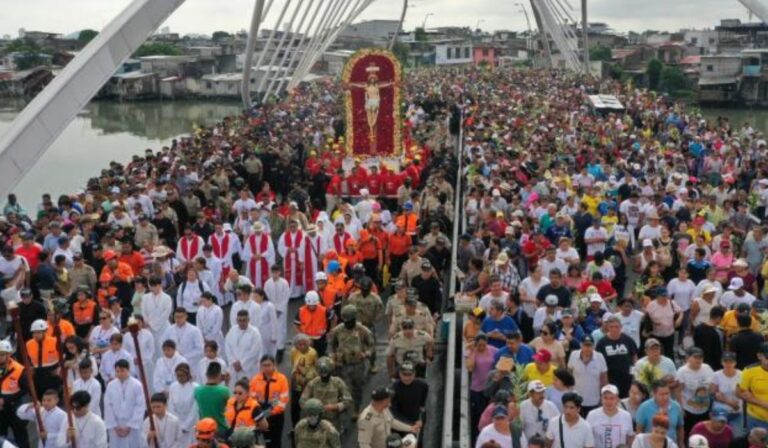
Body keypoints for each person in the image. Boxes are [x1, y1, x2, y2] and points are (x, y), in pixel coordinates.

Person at [328, 304, 374, 416]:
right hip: (341, 364)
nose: (347, 323)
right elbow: (331, 344)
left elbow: (371, 345)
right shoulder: (338, 330)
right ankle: (341, 409)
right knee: (339, 388)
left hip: (357, 364)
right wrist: (332, 356)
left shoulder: (362, 330)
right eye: (345, 321)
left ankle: (356, 409)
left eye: (349, 321)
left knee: (357, 387)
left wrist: (366, 354)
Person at [300, 357, 352, 431]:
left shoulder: (337, 383)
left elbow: (348, 401)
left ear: (331, 372)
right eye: (322, 374)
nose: (324, 377)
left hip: (333, 421)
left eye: (326, 374)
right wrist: (313, 407)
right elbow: (302, 401)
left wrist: (335, 406)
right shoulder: (313, 383)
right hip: (316, 421)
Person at [104, 359, 146, 448]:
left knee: (133, 444)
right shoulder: (111, 385)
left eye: (122, 371)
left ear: (128, 370)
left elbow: (140, 406)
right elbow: (108, 406)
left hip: (132, 423)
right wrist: (114, 426)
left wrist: (130, 426)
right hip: (116, 424)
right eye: (117, 371)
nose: (120, 374)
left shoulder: (137, 385)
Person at [249, 355, 289, 448]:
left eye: (268, 365)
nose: (266, 368)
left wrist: (270, 412)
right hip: (260, 415)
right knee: (262, 441)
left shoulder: (282, 379)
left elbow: (283, 400)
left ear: (274, 365)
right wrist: (259, 413)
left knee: (276, 441)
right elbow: (252, 398)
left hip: (276, 416)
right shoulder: (255, 379)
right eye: (264, 365)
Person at [595, 316, 638, 398]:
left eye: (616, 327)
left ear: (621, 327)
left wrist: (634, 375)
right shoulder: (602, 343)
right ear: (608, 327)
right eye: (611, 327)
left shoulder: (628, 340)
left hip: (627, 379)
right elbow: (599, 362)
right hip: (610, 379)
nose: (614, 329)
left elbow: (634, 358)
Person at [676, 346, 715, 436]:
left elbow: (713, 386)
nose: (698, 360)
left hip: (705, 409)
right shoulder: (682, 371)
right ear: (688, 358)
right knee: (690, 434)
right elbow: (678, 391)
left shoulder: (707, 368)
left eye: (700, 357)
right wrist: (680, 408)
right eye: (695, 357)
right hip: (689, 410)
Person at [568, 336, 608, 416]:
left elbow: (604, 378)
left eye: (590, 345)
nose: (587, 348)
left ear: (593, 346)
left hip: (594, 400)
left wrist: (604, 396)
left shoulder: (600, 357)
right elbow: (569, 375)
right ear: (581, 345)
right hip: (576, 399)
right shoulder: (573, 355)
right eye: (585, 345)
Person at [635, 380, 685, 445]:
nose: (665, 397)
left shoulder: (676, 406)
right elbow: (639, 430)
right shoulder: (644, 407)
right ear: (654, 394)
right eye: (662, 394)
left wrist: (681, 444)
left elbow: (680, 428)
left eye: (667, 393)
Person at [390, 362, 429, 439]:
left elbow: (426, 405)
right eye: (404, 375)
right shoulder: (393, 388)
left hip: (417, 425)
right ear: (400, 374)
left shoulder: (423, 385)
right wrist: (410, 425)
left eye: (410, 375)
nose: (407, 378)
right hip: (399, 427)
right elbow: (393, 412)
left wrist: (422, 420)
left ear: (414, 374)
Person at [225, 309, 264, 385]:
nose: (242, 322)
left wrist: (242, 364)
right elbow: (227, 347)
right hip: (234, 367)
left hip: (249, 368)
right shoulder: (232, 330)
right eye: (240, 320)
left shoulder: (255, 332)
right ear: (237, 320)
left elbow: (255, 352)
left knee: (250, 388)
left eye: (244, 320)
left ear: (248, 320)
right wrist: (233, 361)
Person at [161, 307, 205, 373]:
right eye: (176, 317)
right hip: (173, 361)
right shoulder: (169, 330)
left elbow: (200, 349)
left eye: (180, 317)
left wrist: (184, 356)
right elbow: (163, 343)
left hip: (191, 362)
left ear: (186, 316)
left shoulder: (194, 330)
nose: (178, 319)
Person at [194, 362, 231, 439]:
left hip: (204, 429)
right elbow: (230, 405)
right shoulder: (224, 391)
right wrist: (227, 383)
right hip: (220, 429)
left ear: (206, 375)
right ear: (219, 375)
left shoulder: (197, 390)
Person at [738, 342, 768, 431]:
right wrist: (763, 404)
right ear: (759, 356)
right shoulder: (749, 370)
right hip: (756, 419)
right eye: (767, 358)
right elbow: (740, 392)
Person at [168, 363, 199, 447]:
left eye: (182, 376)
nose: (179, 378)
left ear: (187, 375)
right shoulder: (173, 387)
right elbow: (171, 407)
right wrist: (177, 424)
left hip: (192, 425)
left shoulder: (196, 387)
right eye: (177, 376)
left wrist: (186, 425)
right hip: (177, 424)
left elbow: (195, 409)